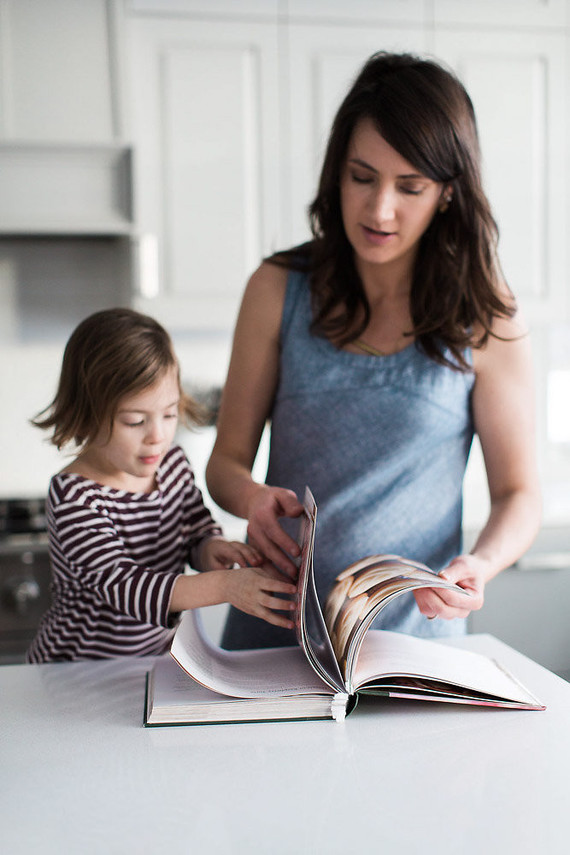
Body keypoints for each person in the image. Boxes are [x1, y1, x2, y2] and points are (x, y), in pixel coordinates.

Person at [206, 51, 541, 650]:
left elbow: (518, 493)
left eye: (409, 186)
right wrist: (253, 497)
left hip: (413, 650)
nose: (379, 208)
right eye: (362, 177)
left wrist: (482, 564)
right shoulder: (277, 288)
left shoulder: (485, 317)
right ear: (337, 173)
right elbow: (225, 463)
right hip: (271, 639)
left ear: (446, 193)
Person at [26, 308, 295, 662]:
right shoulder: (74, 496)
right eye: (135, 421)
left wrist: (210, 548)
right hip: (75, 666)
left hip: (153, 658)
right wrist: (226, 586)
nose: (158, 436)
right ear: (87, 413)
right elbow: (122, 585)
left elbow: (195, 530)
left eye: (169, 414)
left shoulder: (172, 466)